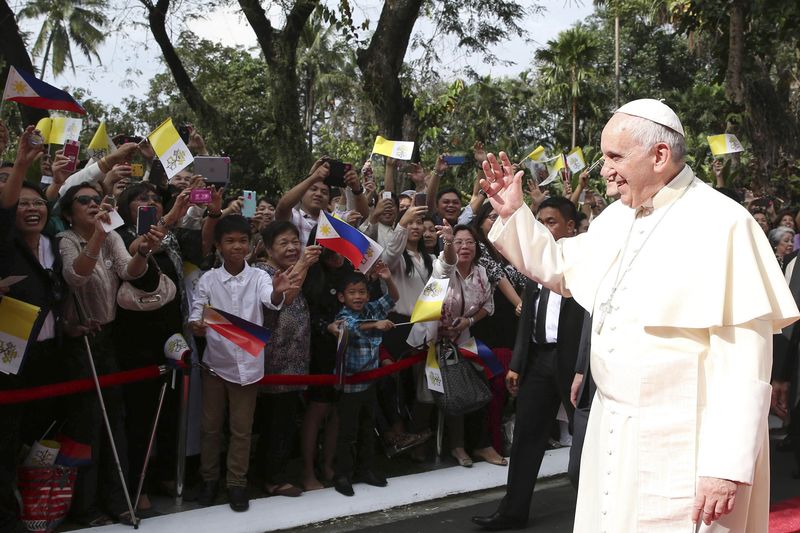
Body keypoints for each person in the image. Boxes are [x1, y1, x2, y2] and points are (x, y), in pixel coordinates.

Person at [480, 98, 798, 531]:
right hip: (614, 431)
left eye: (615, 157)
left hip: (687, 445)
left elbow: (746, 361)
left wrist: (726, 465)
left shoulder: (724, 223)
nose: (606, 170)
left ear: (660, 156)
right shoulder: (617, 218)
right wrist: (514, 214)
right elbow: (559, 266)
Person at [471, 196, 586, 531]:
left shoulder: (583, 261)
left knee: (583, 442)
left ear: (570, 225)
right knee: (525, 437)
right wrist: (517, 363)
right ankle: (513, 510)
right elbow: (526, 317)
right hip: (538, 361)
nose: (545, 227)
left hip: (574, 365)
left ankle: (595, 516)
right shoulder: (535, 263)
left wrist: (584, 366)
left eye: (551, 221)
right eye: (540, 221)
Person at [58, 181, 159, 526]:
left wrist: (143, 251)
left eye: (96, 199)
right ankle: (84, 507)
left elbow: (130, 272)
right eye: (82, 200)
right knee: (86, 424)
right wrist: (99, 234)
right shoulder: (66, 240)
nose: (92, 204)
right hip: (81, 340)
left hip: (111, 337)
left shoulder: (113, 235)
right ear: (69, 210)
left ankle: (118, 500)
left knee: (115, 421)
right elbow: (76, 277)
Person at [189, 215, 300, 512]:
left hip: (249, 367)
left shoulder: (260, 277)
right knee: (211, 428)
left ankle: (236, 483)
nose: (237, 246)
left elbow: (270, 299)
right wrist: (198, 325)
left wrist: (278, 289)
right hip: (215, 364)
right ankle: (209, 479)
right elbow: (196, 313)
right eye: (230, 241)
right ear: (218, 246)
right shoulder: (208, 279)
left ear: (250, 245)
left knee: (242, 429)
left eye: (242, 241)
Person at [408, 223, 505, 468]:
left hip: (462, 339)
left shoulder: (482, 273)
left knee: (471, 386)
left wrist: (468, 321)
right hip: (431, 340)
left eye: (469, 242)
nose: (464, 247)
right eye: (459, 242)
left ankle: (469, 445)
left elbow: (488, 306)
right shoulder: (443, 266)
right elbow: (447, 263)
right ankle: (418, 443)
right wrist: (448, 243)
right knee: (427, 396)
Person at [253, 221, 321, 497]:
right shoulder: (262, 271)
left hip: (294, 360)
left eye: (296, 241)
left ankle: (272, 472)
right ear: (268, 248)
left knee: (283, 419)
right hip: (275, 361)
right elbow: (287, 298)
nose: (293, 247)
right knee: (276, 421)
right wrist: (304, 264)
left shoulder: (287, 269)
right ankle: (272, 478)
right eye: (284, 243)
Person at [332, 266, 398, 496]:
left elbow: (392, 299)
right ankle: (342, 475)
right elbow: (352, 328)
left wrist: (388, 280)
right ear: (342, 296)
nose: (358, 296)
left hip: (370, 383)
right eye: (352, 292)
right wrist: (376, 325)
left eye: (362, 292)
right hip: (349, 386)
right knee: (347, 433)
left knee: (367, 428)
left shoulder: (371, 307)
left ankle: (366, 469)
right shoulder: (342, 315)